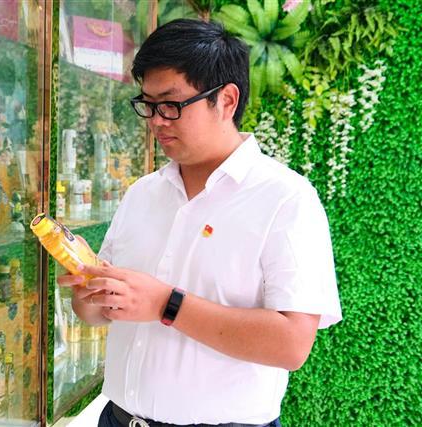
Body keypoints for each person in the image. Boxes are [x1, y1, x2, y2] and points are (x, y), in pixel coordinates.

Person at [58, 20, 342, 427]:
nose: (156, 121)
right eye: (148, 104)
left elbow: (292, 344)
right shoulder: (142, 193)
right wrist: (91, 296)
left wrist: (165, 304)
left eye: (171, 104)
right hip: (118, 419)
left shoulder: (286, 199)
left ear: (226, 100)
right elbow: (98, 313)